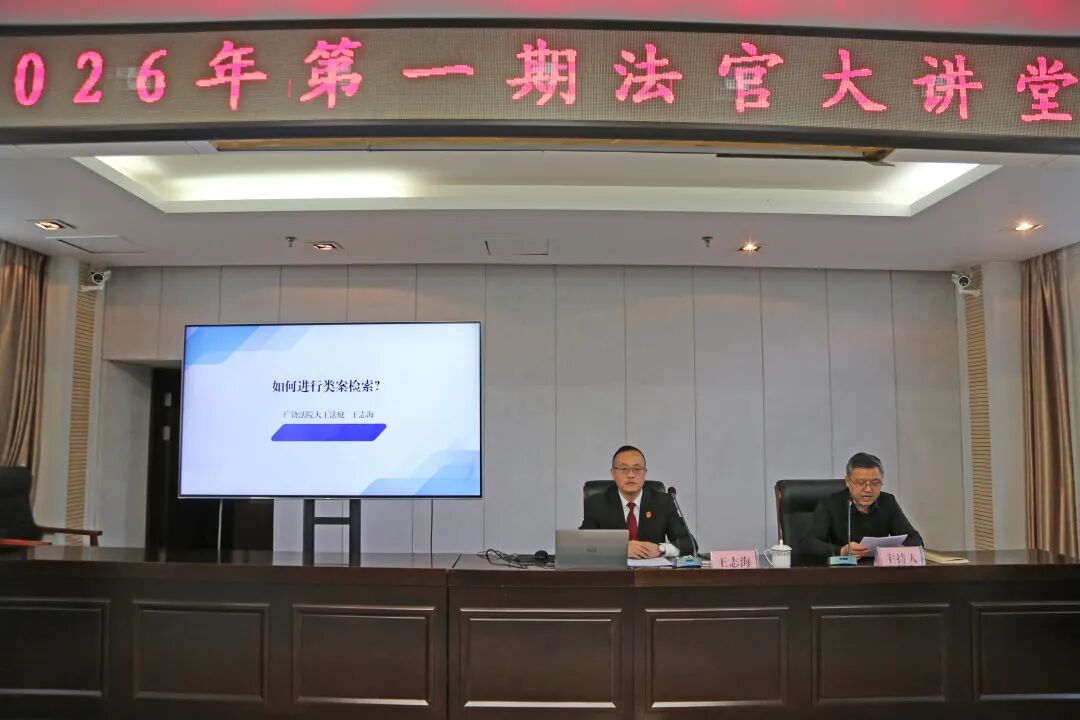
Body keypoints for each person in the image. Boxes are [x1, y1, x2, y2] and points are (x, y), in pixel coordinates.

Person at [800, 452, 924, 558]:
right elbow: (807, 544)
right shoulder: (830, 504)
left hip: (878, 571)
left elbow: (915, 539)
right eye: (861, 483)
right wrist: (841, 551)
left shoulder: (887, 501)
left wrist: (898, 549)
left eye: (875, 483)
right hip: (842, 571)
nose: (868, 490)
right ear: (847, 482)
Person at [579, 445, 693, 559]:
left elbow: (690, 544)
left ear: (644, 473)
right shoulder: (596, 503)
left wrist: (660, 549)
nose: (631, 475)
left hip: (652, 570)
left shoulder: (663, 502)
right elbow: (583, 545)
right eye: (624, 469)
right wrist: (620, 549)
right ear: (613, 473)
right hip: (612, 569)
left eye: (637, 469)